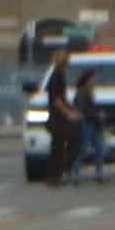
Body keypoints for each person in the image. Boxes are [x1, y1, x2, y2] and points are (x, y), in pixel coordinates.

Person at [39, 50, 80, 188]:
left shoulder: (61, 75)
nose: (68, 60)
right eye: (66, 58)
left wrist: (73, 109)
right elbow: (57, 100)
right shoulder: (56, 76)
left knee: (60, 147)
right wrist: (68, 114)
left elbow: (62, 98)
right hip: (57, 119)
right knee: (63, 146)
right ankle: (55, 175)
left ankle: (56, 175)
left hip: (61, 117)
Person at [72, 70, 106, 184]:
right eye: (92, 78)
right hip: (87, 123)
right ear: (87, 80)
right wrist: (97, 114)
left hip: (93, 123)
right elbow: (82, 111)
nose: (94, 81)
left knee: (99, 148)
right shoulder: (83, 92)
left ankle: (99, 173)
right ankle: (75, 173)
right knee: (83, 149)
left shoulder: (89, 92)